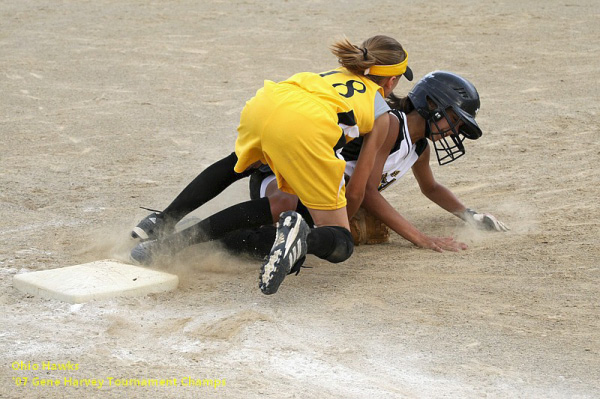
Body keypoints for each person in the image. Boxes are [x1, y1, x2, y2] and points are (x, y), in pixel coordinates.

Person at [129, 35, 413, 295]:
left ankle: (163, 223)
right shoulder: (382, 115)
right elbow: (356, 192)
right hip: (307, 127)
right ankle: (301, 239)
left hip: (269, 103)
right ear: (391, 82)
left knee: (237, 165)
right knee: (343, 243)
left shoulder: (332, 75)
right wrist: (332, 227)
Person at [219, 71, 508, 260]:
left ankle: (228, 242)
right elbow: (368, 191)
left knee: (302, 233)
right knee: (290, 206)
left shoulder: (419, 148)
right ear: (431, 103)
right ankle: (212, 236)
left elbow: (431, 187)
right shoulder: (392, 124)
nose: (455, 131)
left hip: (321, 195)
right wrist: (418, 237)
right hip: (284, 175)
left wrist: (470, 215)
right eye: (454, 120)